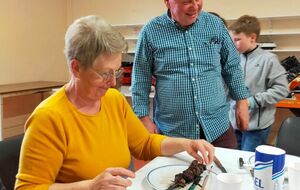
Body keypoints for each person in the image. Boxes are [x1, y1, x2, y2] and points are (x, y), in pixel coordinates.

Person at [15, 15, 214, 189]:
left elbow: (144, 144)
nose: (112, 82)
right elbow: (28, 187)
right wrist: (90, 186)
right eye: (104, 73)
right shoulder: (48, 118)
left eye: (116, 71)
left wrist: (186, 144)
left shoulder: (113, 100)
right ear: (76, 67)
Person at [131, 0, 250, 149]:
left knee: (225, 172)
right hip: (173, 133)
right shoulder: (150, 32)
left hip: (218, 128)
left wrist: (241, 101)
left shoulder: (215, 25)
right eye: (186, 1)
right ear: (167, 2)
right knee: (174, 173)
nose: (195, 6)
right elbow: (140, 78)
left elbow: (232, 66)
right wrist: (143, 117)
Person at [228, 15, 289, 151]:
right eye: (231, 40)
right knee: (232, 160)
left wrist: (251, 101)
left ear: (252, 38)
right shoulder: (233, 59)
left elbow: (282, 89)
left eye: (237, 40)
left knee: (248, 162)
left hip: (256, 127)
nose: (233, 44)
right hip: (233, 123)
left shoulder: (269, 60)